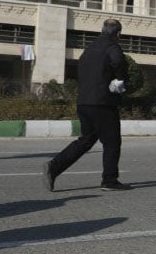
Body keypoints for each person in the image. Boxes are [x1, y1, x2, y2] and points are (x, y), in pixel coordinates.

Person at [42, 19, 131, 191]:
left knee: (86, 140)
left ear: (102, 30)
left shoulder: (89, 48)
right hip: (102, 103)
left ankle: (54, 167)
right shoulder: (112, 46)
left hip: (84, 102)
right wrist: (120, 79)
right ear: (118, 33)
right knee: (112, 141)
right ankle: (109, 180)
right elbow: (118, 62)